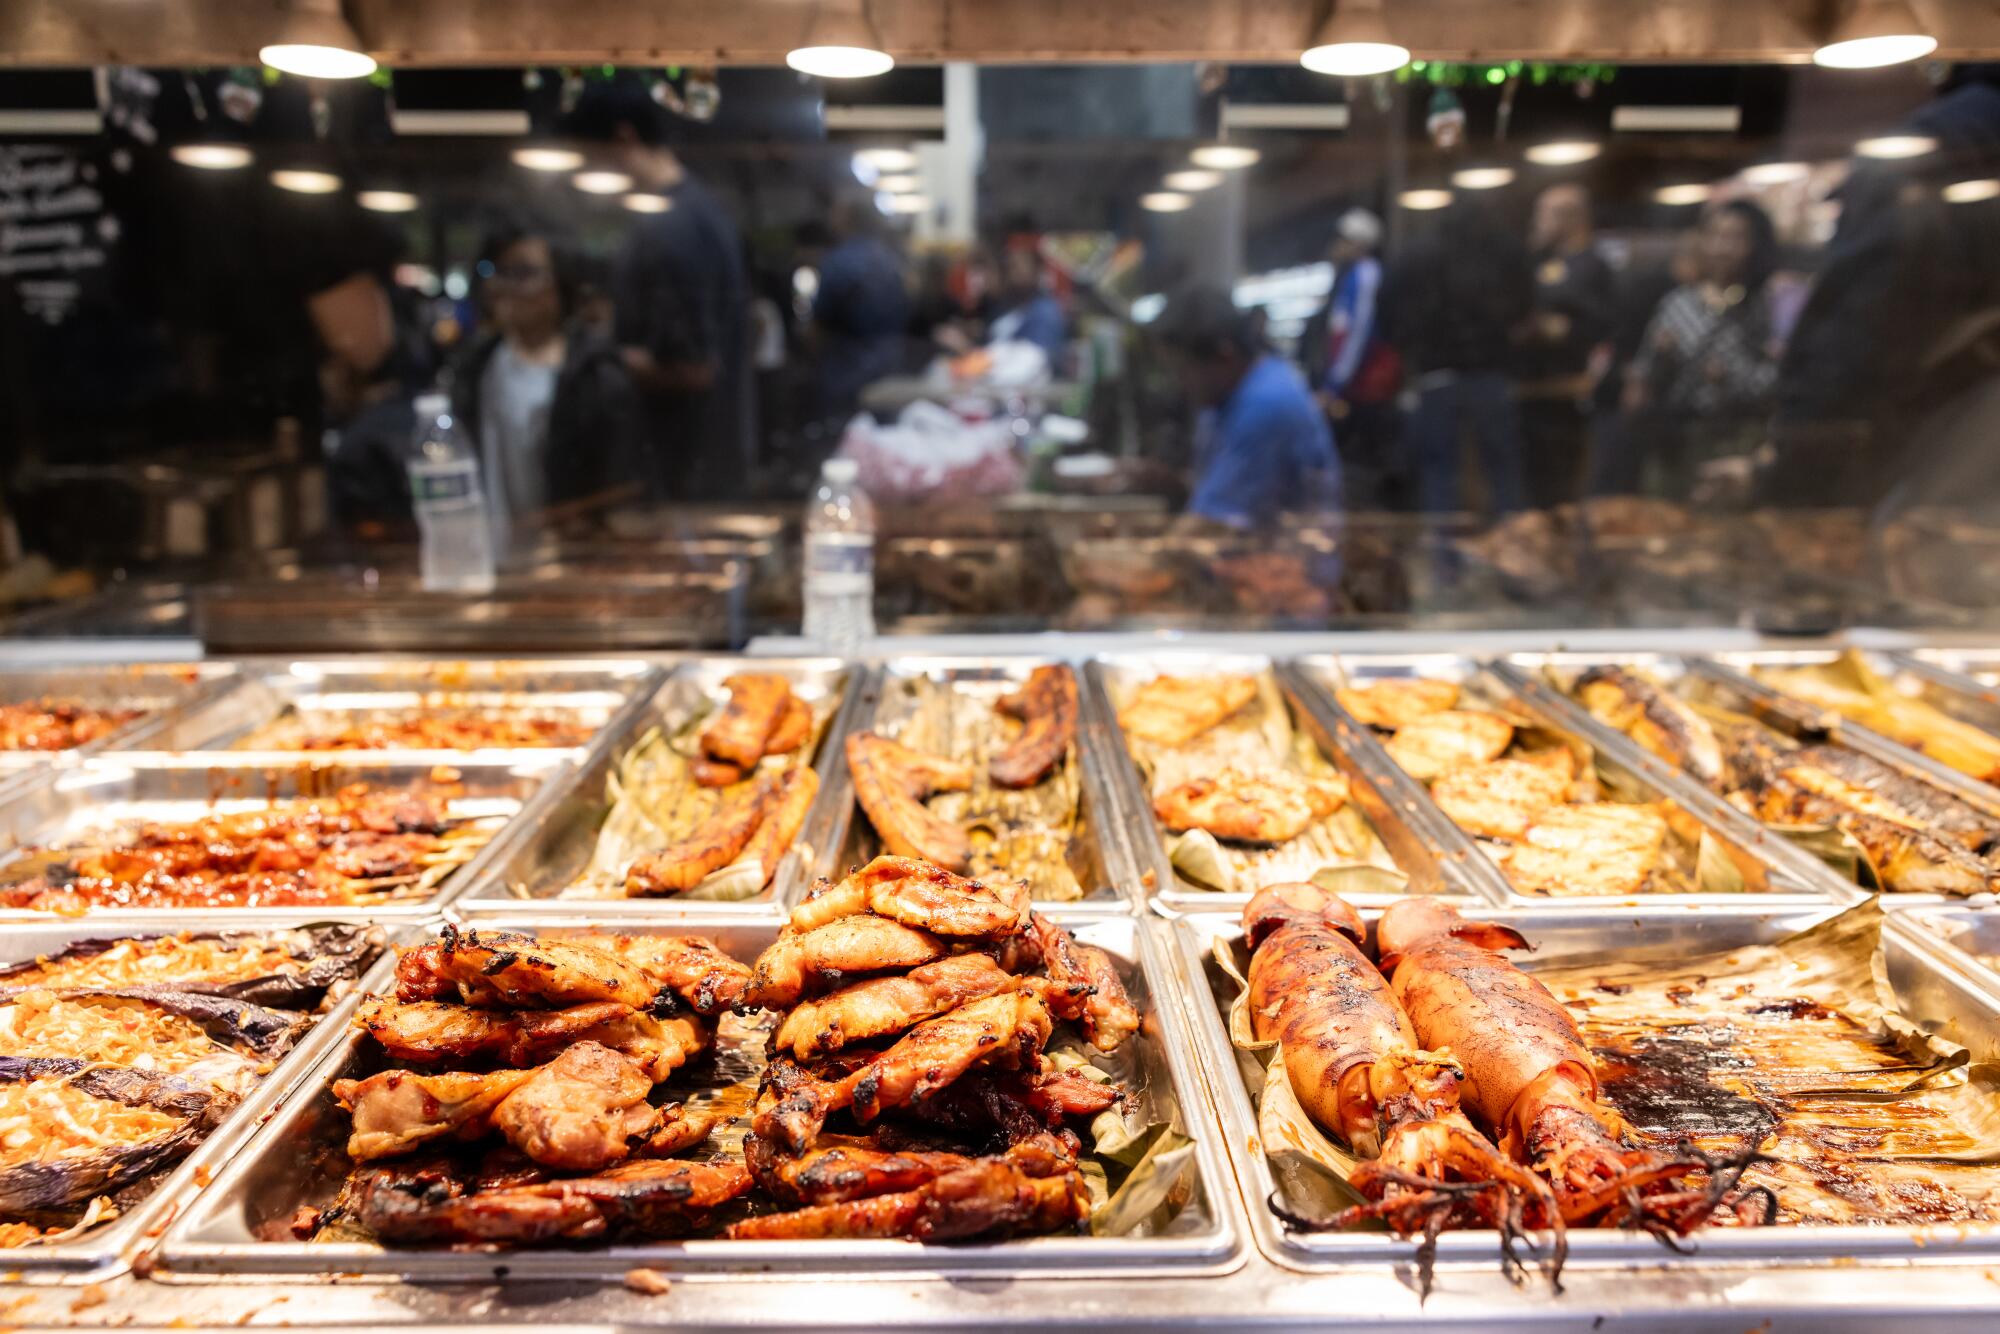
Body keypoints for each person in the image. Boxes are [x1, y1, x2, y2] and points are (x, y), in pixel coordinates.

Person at [1764, 74, 2000, 512]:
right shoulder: (1964, 132)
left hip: (1919, 449)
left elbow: (1861, 324)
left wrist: (1792, 461)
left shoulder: (1945, 134)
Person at [568, 80, 751, 501]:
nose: (586, 171)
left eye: (589, 156)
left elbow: (693, 368)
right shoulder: (700, 210)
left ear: (623, 138)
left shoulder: (670, 226)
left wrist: (594, 353)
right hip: (705, 465)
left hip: (679, 473)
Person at [449, 223, 642, 554]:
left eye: (523, 273)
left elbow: (617, 483)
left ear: (559, 285)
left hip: (569, 555)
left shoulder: (594, 374)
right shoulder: (475, 366)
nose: (506, 286)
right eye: (499, 272)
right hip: (491, 552)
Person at [1621, 199, 1783, 499]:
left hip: (1739, 438)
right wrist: (1658, 364)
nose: (1722, 248)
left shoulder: (1767, 306)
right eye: (1716, 236)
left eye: (1735, 238)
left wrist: (1729, 377)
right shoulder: (1678, 304)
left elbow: (1781, 379)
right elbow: (1645, 375)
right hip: (1677, 438)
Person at [1383, 201, 1534, 515]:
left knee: (1441, 476)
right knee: (1502, 472)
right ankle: (1514, 553)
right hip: (1487, 372)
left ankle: (1445, 561)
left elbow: (1388, 311)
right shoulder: (1500, 251)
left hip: (1438, 375)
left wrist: (1410, 350)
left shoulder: (1418, 253)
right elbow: (1525, 304)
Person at [1154, 285, 1343, 529]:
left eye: (1182, 370)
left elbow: (1210, 527)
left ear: (1225, 355)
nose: (1179, 384)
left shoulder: (1266, 404)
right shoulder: (1226, 399)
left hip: (1288, 562)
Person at [1518, 183, 1617, 508]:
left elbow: (1602, 326)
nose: (1538, 223)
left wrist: (1557, 328)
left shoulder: (1593, 265)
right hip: (1532, 391)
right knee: (1534, 488)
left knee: (1564, 490)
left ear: (1571, 218)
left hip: (1570, 395)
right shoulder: (1542, 261)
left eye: (1544, 214)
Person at [1304, 208, 1398, 508]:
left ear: (1358, 243)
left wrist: (1334, 387)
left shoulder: (1366, 275)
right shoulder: (1346, 277)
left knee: (1361, 471)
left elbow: (1356, 336)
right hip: (1350, 389)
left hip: (1361, 392)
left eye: (1342, 240)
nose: (1336, 246)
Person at [809, 199, 912, 421]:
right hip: (890, 365)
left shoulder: (838, 262)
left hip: (848, 370)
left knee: (848, 439)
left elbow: (819, 323)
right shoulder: (891, 259)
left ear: (847, 220)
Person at [987, 242, 1067, 367]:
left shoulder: (1045, 311)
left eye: (1018, 267)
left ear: (1036, 271)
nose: (1013, 274)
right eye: (1010, 268)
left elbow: (1035, 360)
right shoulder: (1005, 306)